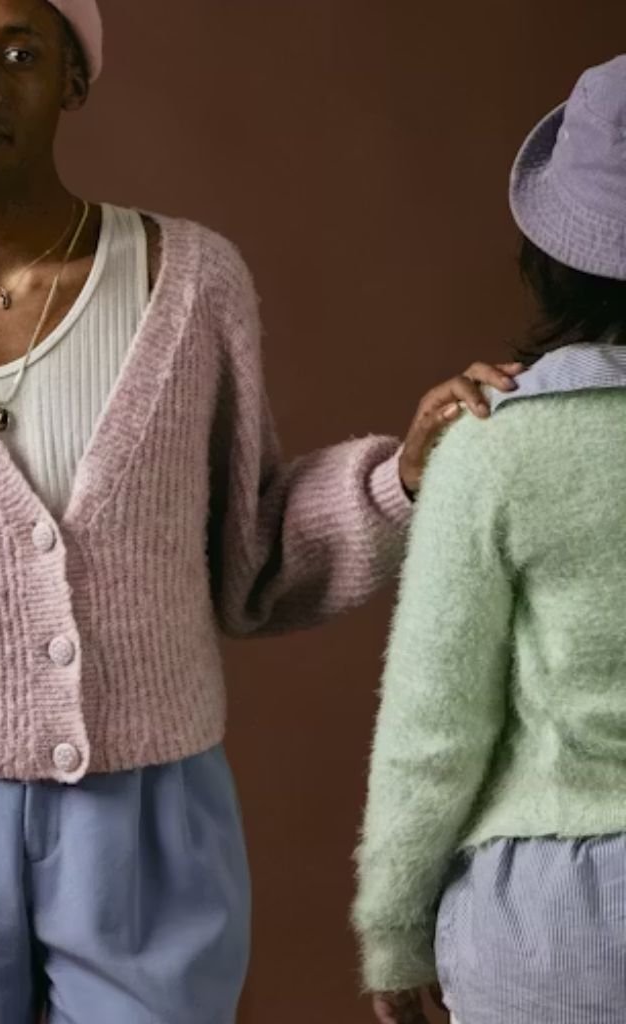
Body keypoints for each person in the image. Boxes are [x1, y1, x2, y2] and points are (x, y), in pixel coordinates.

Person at [0, 1, 520, 1021]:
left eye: (20, 53)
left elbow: (251, 558)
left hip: (153, 818)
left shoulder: (192, 285)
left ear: (73, 82)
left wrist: (401, 480)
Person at [351, 54, 626, 1024]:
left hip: (544, 933)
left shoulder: (489, 448)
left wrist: (391, 935)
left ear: (550, 248)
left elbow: (433, 727)